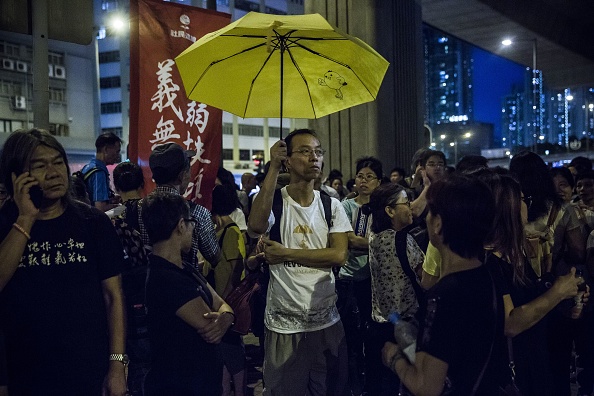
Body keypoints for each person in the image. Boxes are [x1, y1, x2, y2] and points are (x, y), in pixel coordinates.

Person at [0, 128, 127, 395]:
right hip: (24, 375)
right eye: (39, 166)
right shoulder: (5, 223)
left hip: (88, 373)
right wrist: (25, 218)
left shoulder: (93, 223)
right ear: (16, 176)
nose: (54, 172)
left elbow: (113, 297)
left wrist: (117, 367)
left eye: (58, 162)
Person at [248, 129, 352, 396]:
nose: (313, 158)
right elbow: (256, 226)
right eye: (305, 151)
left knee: (330, 389)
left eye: (318, 152)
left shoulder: (331, 206)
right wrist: (272, 167)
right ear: (288, 159)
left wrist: (286, 254)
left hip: (327, 321)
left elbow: (339, 255)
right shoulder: (276, 203)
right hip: (284, 324)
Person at [382, 174, 499, 395]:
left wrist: (394, 357)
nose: (425, 219)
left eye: (429, 213)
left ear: (438, 224)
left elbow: (427, 387)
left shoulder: (444, 295)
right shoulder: (487, 275)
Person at [479, 170, 583, 395]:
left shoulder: (512, 254)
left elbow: (531, 304)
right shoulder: (488, 262)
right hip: (514, 374)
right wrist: (556, 292)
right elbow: (510, 323)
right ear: (508, 207)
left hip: (534, 364)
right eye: (523, 199)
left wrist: (566, 298)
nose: (527, 205)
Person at [142, 192, 234, 395]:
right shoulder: (165, 278)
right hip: (180, 386)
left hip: (198, 383)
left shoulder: (185, 268)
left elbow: (223, 306)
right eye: (192, 223)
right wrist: (224, 317)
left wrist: (226, 317)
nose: (193, 229)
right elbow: (211, 327)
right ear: (181, 226)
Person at [365, 183, 424, 395]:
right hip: (404, 327)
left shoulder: (374, 238)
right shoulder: (401, 240)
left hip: (380, 327)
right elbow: (425, 278)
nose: (410, 208)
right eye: (406, 203)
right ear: (389, 210)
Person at [337, 155, 383, 395]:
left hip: (376, 280)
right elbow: (347, 239)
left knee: (373, 334)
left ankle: (371, 384)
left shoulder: (382, 206)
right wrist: (376, 243)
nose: (363, 181)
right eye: (360, 176)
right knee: (351, 337)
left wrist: (363, 243)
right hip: (348, 278)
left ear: (378, 181)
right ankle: (352, 386)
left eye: (369, 177)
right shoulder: (346, 206)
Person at [137, 142, 221, 269]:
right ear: (182, 176)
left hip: (146, 284)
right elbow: (214, 256)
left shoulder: (137, 207)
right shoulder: (197, 213)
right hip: (183, 284)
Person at [208, 184, 248, 396]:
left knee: (232, 350)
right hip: (222, 300)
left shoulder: (231, 232)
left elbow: (235, 270)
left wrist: (223, 301)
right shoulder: (221, 230)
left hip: (227, 301)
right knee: (223, 352)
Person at [81, 132, 122, 212]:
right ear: (106, 149)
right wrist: (120, 207)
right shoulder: (99, 173)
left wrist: (110, 200)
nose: (118, 155)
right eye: (117, 151)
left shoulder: (88, 167)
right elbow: (100, 208)